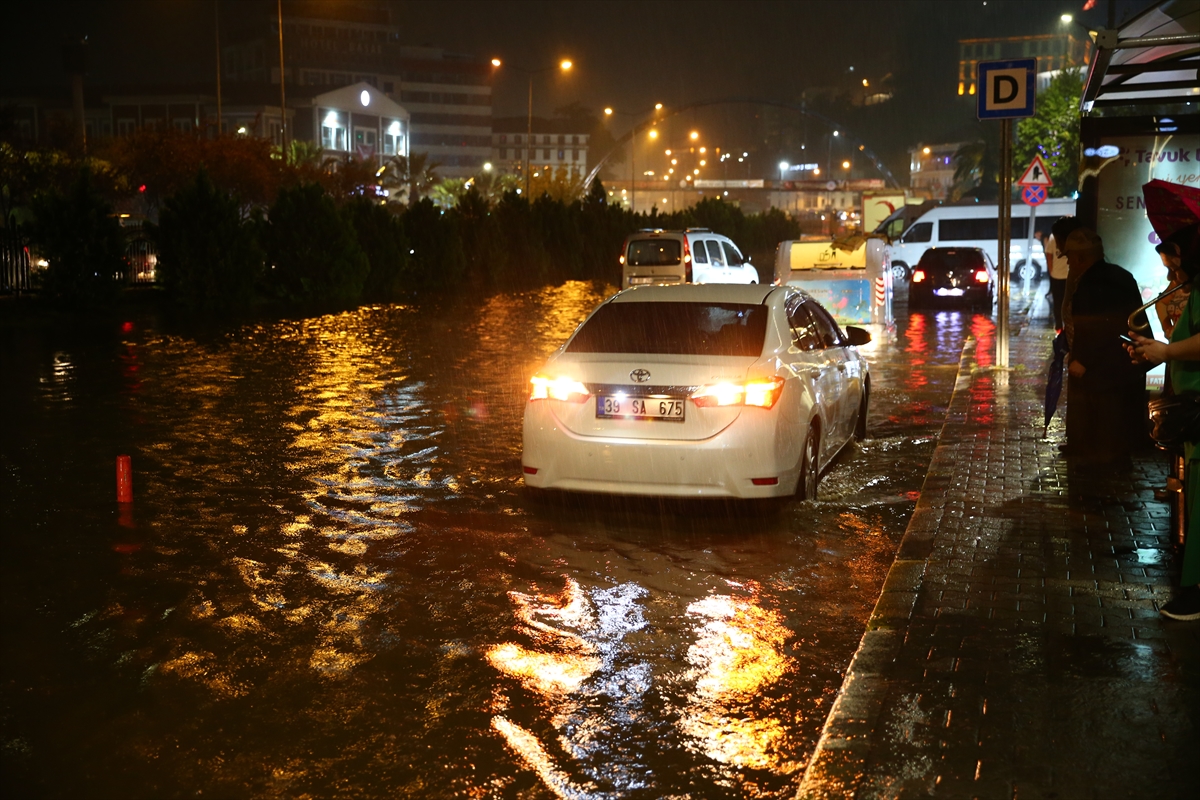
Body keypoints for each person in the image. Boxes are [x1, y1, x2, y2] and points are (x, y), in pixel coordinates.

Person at [1128, 225, 1200, 621]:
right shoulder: (1187, 296)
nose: (1173, 278)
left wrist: (1168, 349)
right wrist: (1159, 353)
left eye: (1175, 268)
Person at [1061, 227, 1148, 463]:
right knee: (1116, 431)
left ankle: (1103, 480)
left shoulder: (1090, 284)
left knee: (1104, 435)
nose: (1068, 263)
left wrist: (1082, 359)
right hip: (1124, 365)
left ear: (1080, 258)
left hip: (1101, 371)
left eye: (1069, 258)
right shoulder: (1122, 276)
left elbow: (1095, 327)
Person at [1154, 240, 1190, 339]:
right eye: (1168, 269)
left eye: (1173, 268)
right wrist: (1168, 329)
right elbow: (1161, 302)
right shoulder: (1177, 284)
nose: (1169, 277)